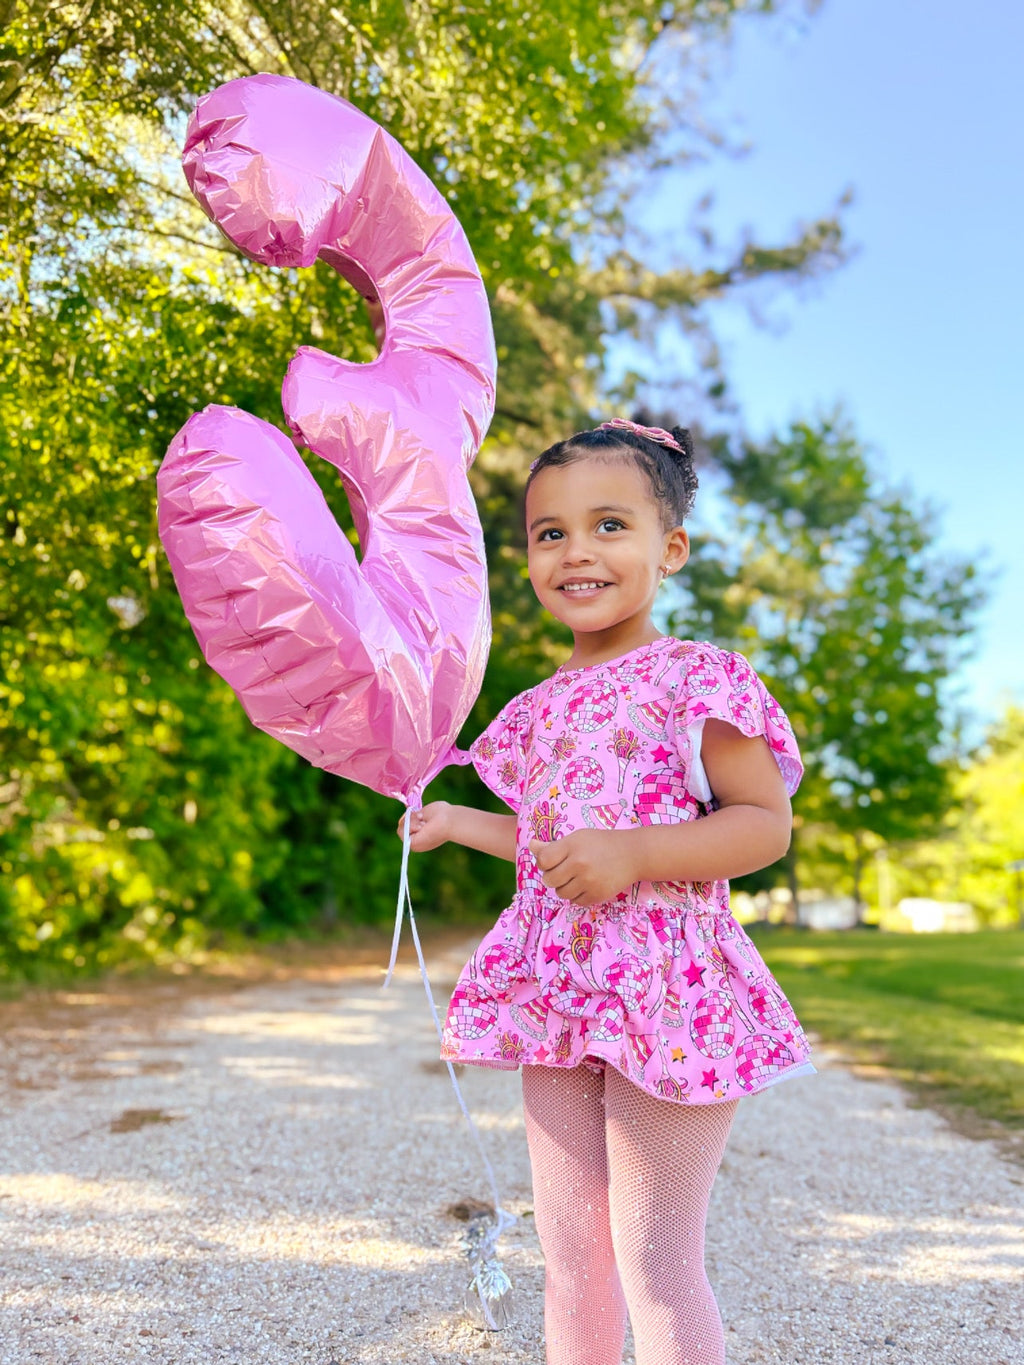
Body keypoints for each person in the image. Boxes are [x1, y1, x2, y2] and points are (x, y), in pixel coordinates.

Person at [399, 418, 813, 1365]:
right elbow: (554, 850)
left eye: (609, 525)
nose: (576, 550)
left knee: (654, 1253)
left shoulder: (692, 679)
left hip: (671, 991)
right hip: (558, 989)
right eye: (551, 533)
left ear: (669, 549)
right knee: (573, 1252)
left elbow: (762, 824)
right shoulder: (535, 708)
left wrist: (634, 852)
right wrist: (462, 823)